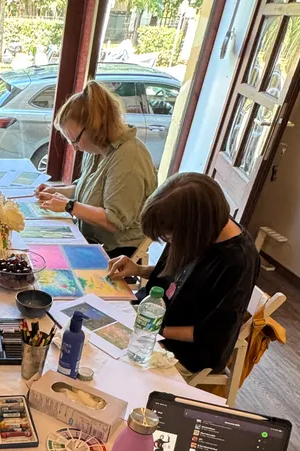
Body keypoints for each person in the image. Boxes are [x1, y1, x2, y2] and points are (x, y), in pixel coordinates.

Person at [107, 173, 260, 374]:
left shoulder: (237, 262)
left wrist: (152, 329)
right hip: (148, 320)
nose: (169, 243)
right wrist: (138, 270)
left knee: (112, 369)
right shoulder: (202, 225)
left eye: (169, 237)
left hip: (181, 351)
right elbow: (184, 279)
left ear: (192, 231)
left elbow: (211, 335)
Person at [35, 80, 157, 258]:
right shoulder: (99, 146)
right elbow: (87, 189)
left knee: (47, 256)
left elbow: (113, 221)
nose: (75, 148)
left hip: (117, 251)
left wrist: (68, 205)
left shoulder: (129, 158)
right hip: (91, 237)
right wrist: (56, 191)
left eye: (74, 141)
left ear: (94, 128)